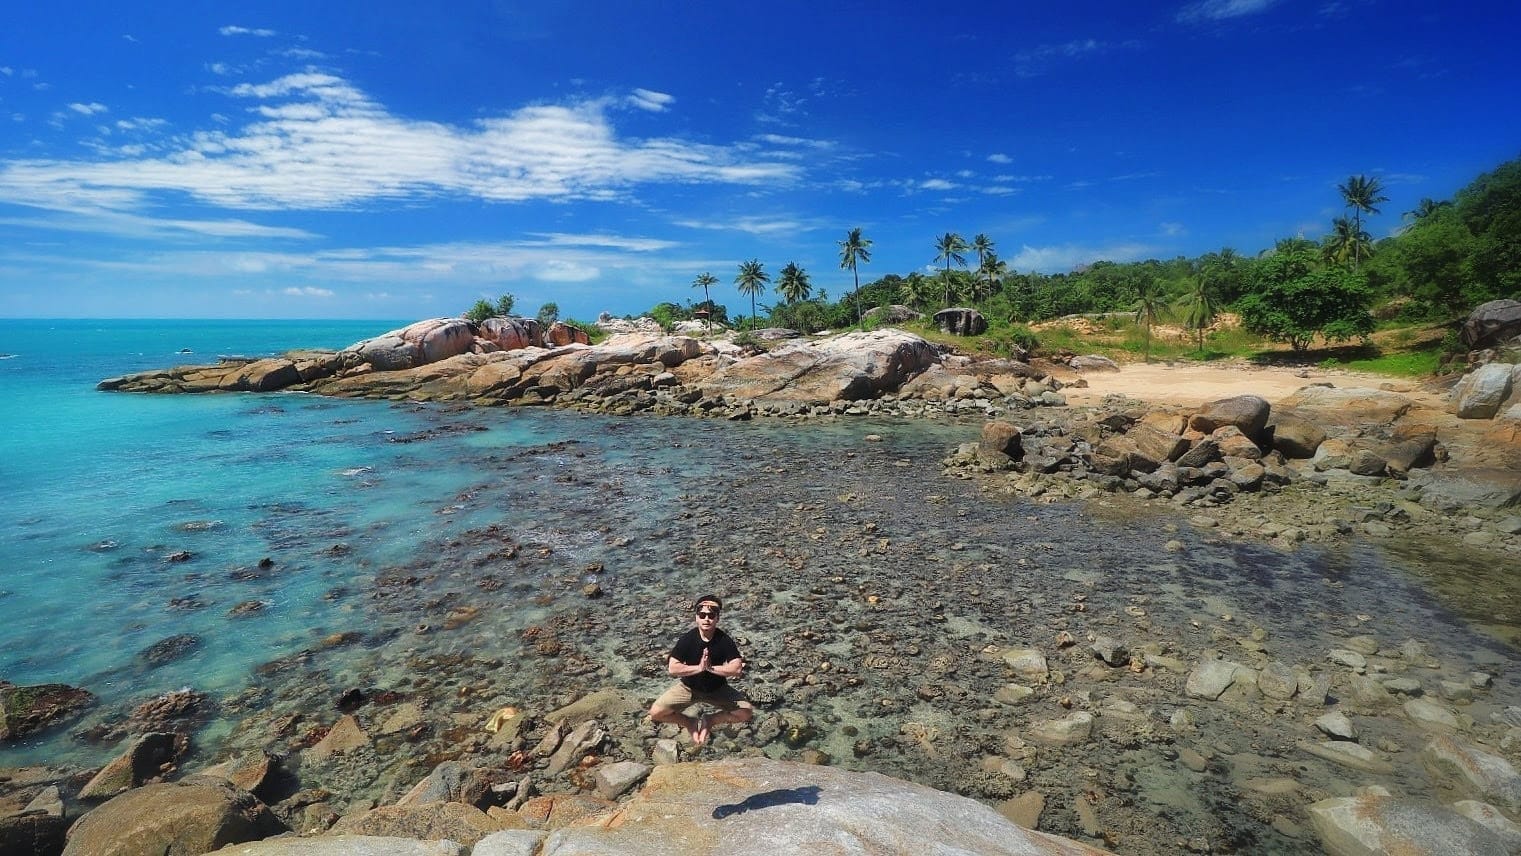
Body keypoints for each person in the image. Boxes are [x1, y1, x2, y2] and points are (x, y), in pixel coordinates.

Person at [648, 595, 753, 746]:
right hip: (688, 688)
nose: (706, 619)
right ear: (696, 617)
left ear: (717, 618)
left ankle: (710, 720)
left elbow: (736, 668)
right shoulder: (687, 639)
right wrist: (699, 668)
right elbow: (673, 668)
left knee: (746, 711)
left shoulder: (724, 640)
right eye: (702, 615)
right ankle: (689, 721)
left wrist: (710, 668)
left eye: (711, 615)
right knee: (656, 712)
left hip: (717, 689)